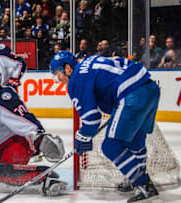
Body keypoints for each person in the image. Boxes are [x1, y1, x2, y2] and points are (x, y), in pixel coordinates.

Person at [49, 51, 160, 202]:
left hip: (131, 93)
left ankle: (144, 185)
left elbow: (91, 121)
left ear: (68, 68)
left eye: (58, 74)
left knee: (111, 146)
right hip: (150, 89)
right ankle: (135, 179)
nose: (59, 80)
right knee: (134, 142)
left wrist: (81, 138)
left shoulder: (76, 80)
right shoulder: (89, 61)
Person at [0, 65, 67, 196]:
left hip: (17, 143)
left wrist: (39, 136)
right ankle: (40, 175)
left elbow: (23, 117)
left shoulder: (6, 97)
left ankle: (46, 181)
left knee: (6, 176)